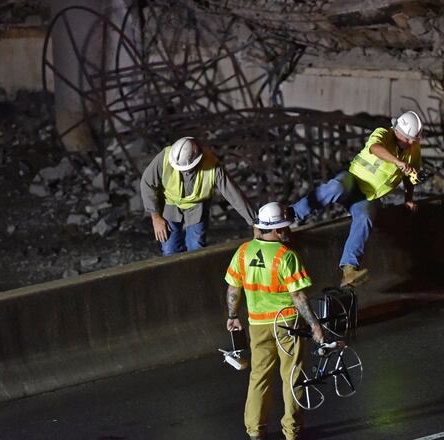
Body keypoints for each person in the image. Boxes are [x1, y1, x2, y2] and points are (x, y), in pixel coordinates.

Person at [224, 201, 325, 440]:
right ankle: (292, 432)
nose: (288, 231)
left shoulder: (243, 252)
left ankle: (255, 431)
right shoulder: (286, 256)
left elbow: (232, 289)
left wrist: (232, 316)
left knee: (259, 377)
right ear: (278, 230)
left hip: (257, 325)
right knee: (292, 376)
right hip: (287, 323)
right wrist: (314, 324)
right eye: (286, 227)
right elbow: (298, 295)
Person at [290, 110, 423, 288]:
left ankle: (349, 270)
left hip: (369, 196)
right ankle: (292, 214)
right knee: (335, 187)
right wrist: (398, 162)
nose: (411, 143)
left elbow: (410, 176)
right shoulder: (383, 133)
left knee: (365, 218)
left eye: (414, 139)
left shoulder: (413, 149)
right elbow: (375, 149)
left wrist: (408, 198)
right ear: (397, 131)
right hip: (353, 181)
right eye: (408, 138)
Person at [140, 136, 255, 255]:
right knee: (169, 249)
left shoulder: (211, 164)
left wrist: (253, 221)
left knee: (196, 249)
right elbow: (147, 183)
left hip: (197, 206)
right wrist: (156, 217)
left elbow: (232, 193)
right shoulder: (165, 158)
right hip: (170, 204)